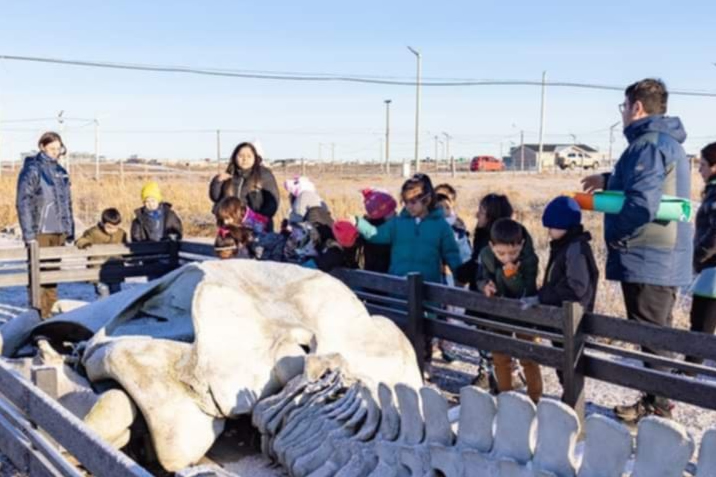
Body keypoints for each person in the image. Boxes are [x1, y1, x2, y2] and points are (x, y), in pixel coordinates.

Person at [581, 78, 692, 422]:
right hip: (660, 256)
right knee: (656, 335)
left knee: (652, 337)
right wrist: (608, 179)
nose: (625, 113)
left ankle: (659, 410)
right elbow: (641, 184)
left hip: (649, 256)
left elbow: (643, 203)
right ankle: (656, 401)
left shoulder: (647, 145)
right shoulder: (660, 142)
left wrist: (620, 239)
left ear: (637, 107)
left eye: (624, 107)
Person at [354, 173, 463, 285]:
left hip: (428, 290)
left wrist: (460, 277)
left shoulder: (441, 226)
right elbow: (375, 234)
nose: (408, 206)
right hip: (398, 288)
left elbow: (452, 254)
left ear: (427, 199)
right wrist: (357, 223)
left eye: (413, 202)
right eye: (405, 202)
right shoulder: (397, 223)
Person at [476, 218, 542, 403]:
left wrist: (511, 276)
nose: (507, 258)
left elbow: (525, 290)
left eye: (513, 252)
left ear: (521, 244)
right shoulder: (486, 255)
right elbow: (481, 277)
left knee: (529, 356)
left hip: (524, 313)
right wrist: (485, 286)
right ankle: (506, 398)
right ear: (491, 246)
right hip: (499, 312)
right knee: (500, 357)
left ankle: (535, 398)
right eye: (501, 253)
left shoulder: (529, 259)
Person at [16, 132, 75, 319]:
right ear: (42, 147)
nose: (55, 152)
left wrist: (69, 229)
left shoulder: (61, 172)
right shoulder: (33, 169)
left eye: (58, 149)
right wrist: (29, 234)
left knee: (53, 276)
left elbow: (67, 202)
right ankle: (38, 315)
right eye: (51, 148)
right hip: (40, 229)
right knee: (38, 275)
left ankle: (49, 315)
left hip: (58, 230)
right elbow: (23, 202)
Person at [538, 196, 599, 312]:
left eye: (551, 227)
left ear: (563, 226)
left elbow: (577, 288)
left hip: (572, 318)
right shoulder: (563, 246)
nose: (548, 231)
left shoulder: (575, 249)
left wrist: (544, 296)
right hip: (561, 315)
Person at [209, 142, 280, 232]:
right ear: (234, 157)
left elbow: (273, 202)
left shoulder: (264, 174)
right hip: (231, 226)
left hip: (257, 227)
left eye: (249, 156)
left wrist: (259, 218)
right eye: (241, 156)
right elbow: (216, 197)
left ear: (255, 158)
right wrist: (217, 182)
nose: (245, 159)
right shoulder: (229, 174)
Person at [688, 142, 716, 367]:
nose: (700, 169)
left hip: (712, 269)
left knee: (701, 323)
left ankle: (689, 373)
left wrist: (698, 256)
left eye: (704, 164)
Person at [456, 194, 514, 291]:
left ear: (491, 217)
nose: (477, 215)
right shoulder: (483, 236)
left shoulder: (493, 243)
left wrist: (460, 274)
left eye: (481, 212)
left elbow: (478, 268)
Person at [75, 208, 128, 297]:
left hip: (116, 271)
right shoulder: (93, 232)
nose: (113, 230)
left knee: (117, 295)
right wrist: (85, 244)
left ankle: (117, 310)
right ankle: (104, 310)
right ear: (103, 223)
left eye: (116, 227)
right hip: (98, 272)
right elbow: (80, 240)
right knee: (103, 294)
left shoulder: (121, 233)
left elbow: (126, 248)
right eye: (109, 227)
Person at [359, 188, 396, 274]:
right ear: (383, 213)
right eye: (392, 210)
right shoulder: (384, 232)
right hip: (387, 278)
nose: (395, 213)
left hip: (368, 275)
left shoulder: (366, 227)